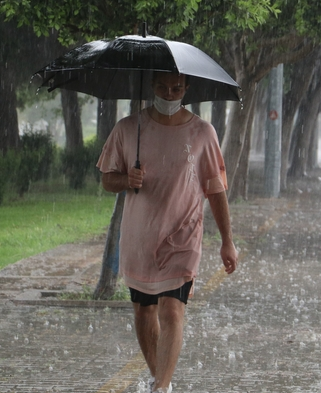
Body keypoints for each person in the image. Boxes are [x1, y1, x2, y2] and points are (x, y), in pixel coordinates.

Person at [96, 72, 238, 393]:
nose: (169, 94)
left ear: (187, 88)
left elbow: (215, 190)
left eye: (176, 88)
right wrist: (126, 180)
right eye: (162, 87)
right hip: (140, 238)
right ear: (151, 86)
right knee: (144, 312)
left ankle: (159, 388)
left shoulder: (203, 133)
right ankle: (163, 379)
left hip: (183, 237)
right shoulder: (129, 128)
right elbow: (107, 179)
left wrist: (227, 242)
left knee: (172, 310)